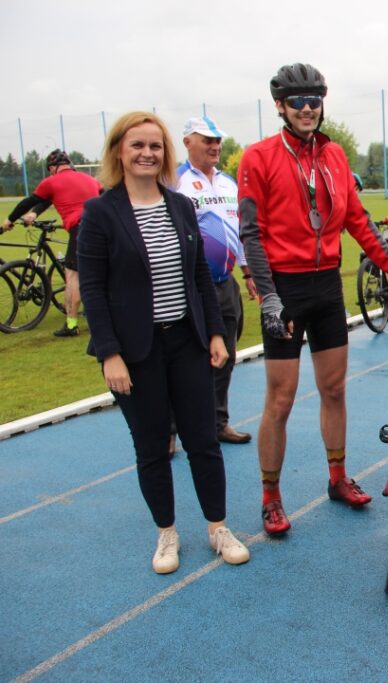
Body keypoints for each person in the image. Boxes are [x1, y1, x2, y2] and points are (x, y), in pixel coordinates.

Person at [238, 63, 388, 536]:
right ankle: (270, 496)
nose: (307, 108)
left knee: (335, 390)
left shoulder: (334, 155)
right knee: (281, 398)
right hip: (285, 290)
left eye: (315, 99)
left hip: (325, 287)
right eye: (297, 101)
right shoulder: (258, 157)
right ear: (280, 106)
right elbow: (251, 235)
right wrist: (270, 298)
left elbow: (357, 219)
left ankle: (337, 477)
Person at [77, 111, 249, 574]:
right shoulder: (100, 213)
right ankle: (167, 534)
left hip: (187, 344)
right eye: (137, 145)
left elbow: (199, 276)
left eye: (155, 146)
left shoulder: (180, 206)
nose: (147, 153)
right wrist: (110, 354)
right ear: (119, 151)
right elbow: (92, 289)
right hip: (136, 352)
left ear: (165, 154)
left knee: (203, 442)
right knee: (152, 447)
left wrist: (214, 331)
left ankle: (218, 527)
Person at [176, 115, 257, 445]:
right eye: (206, 140)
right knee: (183, 359)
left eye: (217, 140)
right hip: (187, 286)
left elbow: (240, 230)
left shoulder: (228, 182)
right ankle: (170, 430)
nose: (214, 146)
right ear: (187, 143)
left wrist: (248, 272)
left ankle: (217, 422)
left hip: (224, 284)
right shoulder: (174, 180)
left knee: (227, 354)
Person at [2, 149, 102, 337]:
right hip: (106, 227)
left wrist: (9, 220)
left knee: (72, 276)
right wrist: (35, 213)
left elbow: (28, 201)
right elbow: (49, 199)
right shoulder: (90, 180)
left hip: (83, 228)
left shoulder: (51, 181)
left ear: (52, 168)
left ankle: (71, 325)